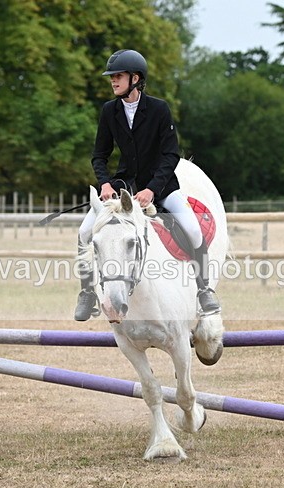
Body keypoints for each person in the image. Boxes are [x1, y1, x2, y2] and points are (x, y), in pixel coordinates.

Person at [74, 49, 221, 321]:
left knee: (193, 230)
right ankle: (87, 293)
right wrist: (104, 184)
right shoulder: (109, 111)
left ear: (135, 79)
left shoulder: (158, 109)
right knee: (84, 232)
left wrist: (152, 189)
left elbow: (170, 155)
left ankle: (204, 291)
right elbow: (99, 155)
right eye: (112, 76)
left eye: (118, 76)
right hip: (124, 187)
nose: (113, 80)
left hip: (161, 187)